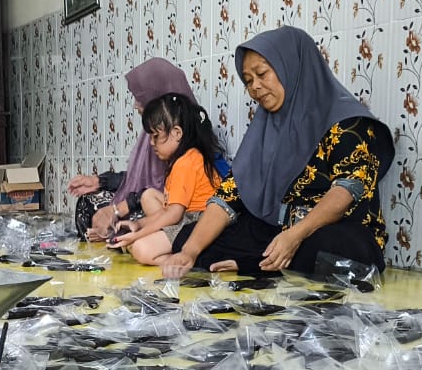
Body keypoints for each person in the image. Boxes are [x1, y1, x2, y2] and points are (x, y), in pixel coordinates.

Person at [161, 26, 395, 280]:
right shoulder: (265, 129)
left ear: (291, 67)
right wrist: (189, 252)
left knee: (328, 251)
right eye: (248, 80)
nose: (254, 88)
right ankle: (267, 263)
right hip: (276, 231)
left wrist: (295, 235)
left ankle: (258, 263)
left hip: (332, 230)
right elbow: (228, 197)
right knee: (189, 238)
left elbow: (345, 192)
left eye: (262, 74)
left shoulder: (347, 122)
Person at [67, 58, 195, 241]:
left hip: (172, 211)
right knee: (89, 201)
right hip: (146, 200)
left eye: (141, 97)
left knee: (128, 220)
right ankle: (116, 236)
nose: (136, 105)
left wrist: (118, 210)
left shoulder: (181, 135)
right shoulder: (155, 134)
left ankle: (120, 237)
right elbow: (139, 179)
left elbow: (162, 192)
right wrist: (100, 181)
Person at [106, 93, 234, 268]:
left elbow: (173, 215)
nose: (151, 143)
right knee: (149, 195)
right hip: (188, 216)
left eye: (155, 136)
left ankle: (190, 262)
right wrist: (138, 225)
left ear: (177, 133)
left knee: (141, 249)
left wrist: (137, 235)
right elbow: (169, 210)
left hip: (199, 221)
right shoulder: (182, 159)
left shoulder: (185, 162)